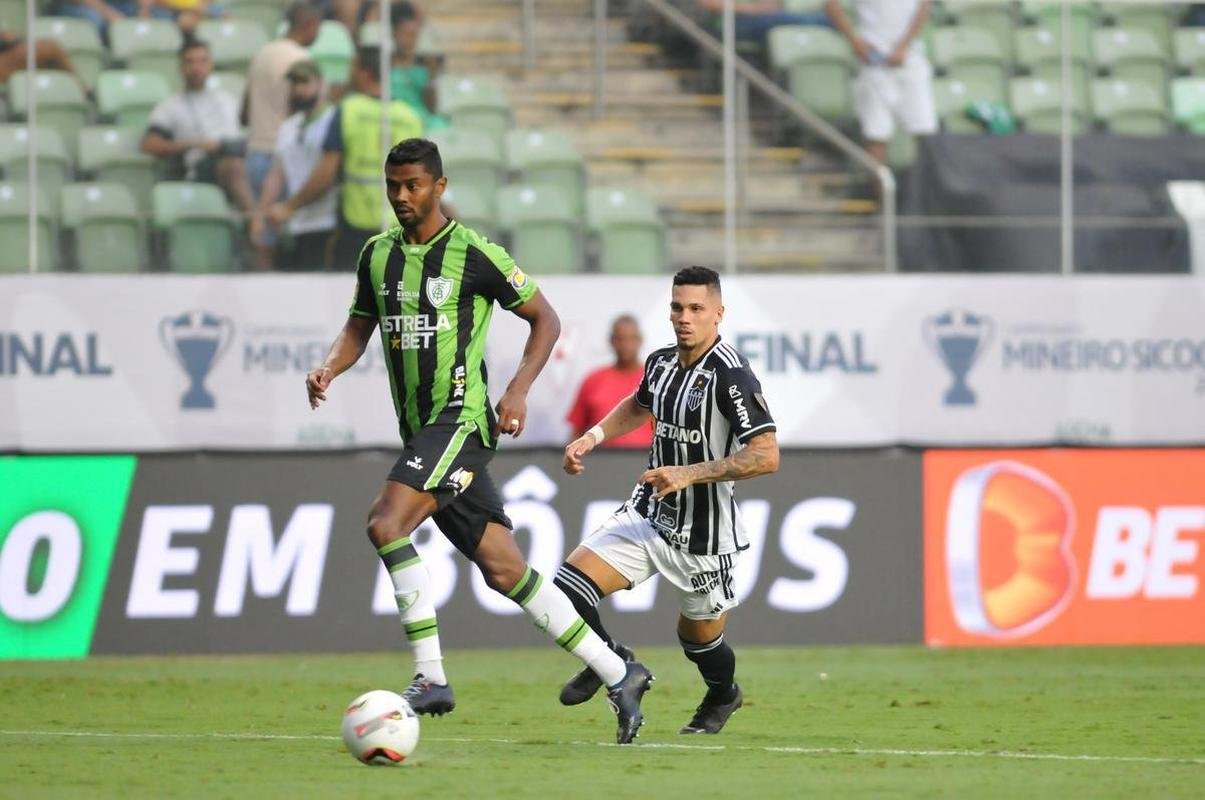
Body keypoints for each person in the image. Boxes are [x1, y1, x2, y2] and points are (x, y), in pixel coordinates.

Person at [304, 137, 654, 744]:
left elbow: (545, 317)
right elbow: (359, 325)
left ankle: (430, 676)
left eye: (413, 185)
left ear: (439, 187)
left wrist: (516, 391)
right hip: (422, 432)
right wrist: (331, 366)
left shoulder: (472, 252)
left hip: (460, 423)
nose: (401, 197)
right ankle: (619, 670)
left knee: (386, 525)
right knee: (504, 569)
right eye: (393, 186)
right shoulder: (376, 255)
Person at [553, 265, 779, 736]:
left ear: (718, 314)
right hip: (649, 513)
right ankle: (613, 664)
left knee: (698, 640)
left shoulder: (730, 375)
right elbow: (639, 405)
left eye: (696, 309)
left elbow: (765, 455)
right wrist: (592, 436)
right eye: (677, 307)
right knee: (566, 589)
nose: (684, 317)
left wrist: (689, 473)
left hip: (703, 537)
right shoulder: (658, 363)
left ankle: (723, 694)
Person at [266, 46, 423, 271]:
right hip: (400, 223)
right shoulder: (410, 116)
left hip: (357, 224)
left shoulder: (348, 110)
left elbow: (327, 171)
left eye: (353, 68)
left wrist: (290, 206)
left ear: (364, 73)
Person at [141, 39, 257, 219]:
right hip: (204, 165)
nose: (197, 68)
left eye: (203, 61)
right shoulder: (169, 106)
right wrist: (195, 144)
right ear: (181, 67)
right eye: (190, 62)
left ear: (211, 65)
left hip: (238, 153)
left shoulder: (228, 99)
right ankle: (257, 222)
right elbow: (150, 144)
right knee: (233, 166)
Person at [825, 0, 936, 166]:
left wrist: (903, 46)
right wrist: (855, 41)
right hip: (874, 62)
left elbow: (925, 5)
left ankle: (927, 191)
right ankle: (882, 191)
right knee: (876, 134)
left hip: (912, 61)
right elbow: (831, 5)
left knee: (925, 133)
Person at [252, 60, 338, 270]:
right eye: (294, 84)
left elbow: (328, 173)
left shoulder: (333, 120)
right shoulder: (288, 127)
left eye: (304, 83)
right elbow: (276, 174)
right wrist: (260, 215)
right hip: (294, 224)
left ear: (320, 84)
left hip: (327, 221)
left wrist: (289, 207)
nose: (298, 90)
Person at [244, 0, 323, 199]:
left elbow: (244, 113)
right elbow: (312, 111)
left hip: (254, 153)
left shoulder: (262, 53)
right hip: (282, 157)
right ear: (310, 24)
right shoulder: (302, 59)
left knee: (262, 223)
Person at [565, 315, 652, 450]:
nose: (626, 345)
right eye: (620, 339)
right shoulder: (593, 380)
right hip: (603, 462)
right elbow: (577, 431)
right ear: (611, 341)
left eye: (631, 338)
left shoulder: (655, 380)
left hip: (648, 462)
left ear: (640, 340)